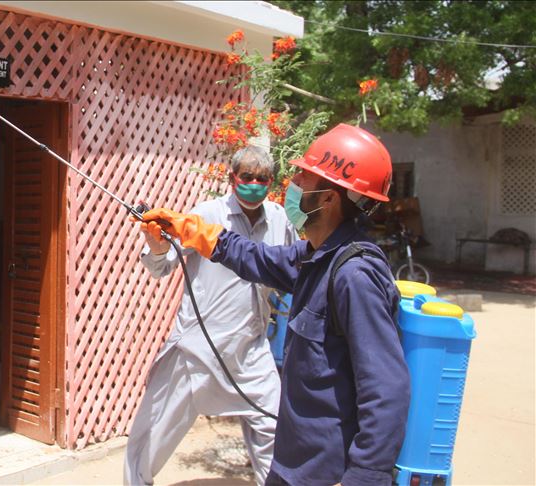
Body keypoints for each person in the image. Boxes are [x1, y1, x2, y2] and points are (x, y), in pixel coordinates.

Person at [140, 124, 410, 485]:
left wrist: (366, 476)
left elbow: (386, 389)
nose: (293, 181)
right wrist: (192, 230)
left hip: (325, 471)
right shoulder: (315, 257)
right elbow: (257, 258)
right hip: (293, 461)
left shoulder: (354, 275)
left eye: (304, 176)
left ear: (329, 199)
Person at [124, 147, 298, 486]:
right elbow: (161, 266)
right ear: (232, 178)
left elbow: (291, 268)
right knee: (153, 435)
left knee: (275, 427)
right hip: (197, 349)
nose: (253, 184)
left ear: (271, 182)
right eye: (247, 177)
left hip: (251, 350)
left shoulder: (280, 219)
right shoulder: (206, 214)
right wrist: (157, 245)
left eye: (261, 179)